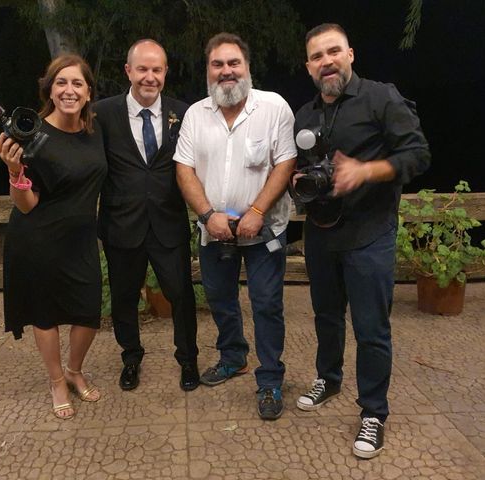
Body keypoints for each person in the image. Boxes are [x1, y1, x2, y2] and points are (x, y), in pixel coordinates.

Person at [293, 23, 431, 458]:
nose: (326, 61)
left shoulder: (381, 97)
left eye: (333, 51)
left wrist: (366, 171)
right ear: (309, 66)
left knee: (371, 329)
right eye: (317, 56)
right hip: (320, 234)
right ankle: (328, 380)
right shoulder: (305, 114)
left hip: (370, 234)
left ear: (350, 54)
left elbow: (418, 154)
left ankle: (373, 412)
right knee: (326, 317)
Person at [175, 33, 297, 420]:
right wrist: (209, 215)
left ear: (247, 67)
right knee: (220, 299)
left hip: (264, 231)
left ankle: (270, 379)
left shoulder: (273, 106)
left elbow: (285, 163)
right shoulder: (196, 113)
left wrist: (258, 209)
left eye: (233, 63)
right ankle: (233, 357)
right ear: (208, 71)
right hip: (214, 230)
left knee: (266, 303)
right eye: (217, 64)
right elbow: (184, 169)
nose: (226, 71)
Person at [0, 54, 107, 419]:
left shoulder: (95, 131)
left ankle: (74, 370)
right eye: (61, 83)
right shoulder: (34, 134)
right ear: (50, 89)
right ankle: (57, 379)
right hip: (38, 239)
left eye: (77, 83)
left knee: (89, 312)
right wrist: (15, 171)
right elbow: (26, 205)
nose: (69, 90)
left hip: (81, 240)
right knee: (46, 315)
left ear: (89, 92)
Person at [92, 39, 199, 392]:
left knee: (181, 295)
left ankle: (187, 359)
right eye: (142, 69)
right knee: (124, 297)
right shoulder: (101, 114)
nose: (149, 77)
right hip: (122, 225)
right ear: (128, 71)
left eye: (156, 70)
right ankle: (131, 357)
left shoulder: (183, 113)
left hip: (169, 225)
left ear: (165, 72)